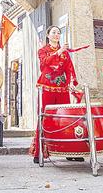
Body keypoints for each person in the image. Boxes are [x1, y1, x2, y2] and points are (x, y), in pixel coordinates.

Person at [30, 25, 79, 163]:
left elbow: (69, 68)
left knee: (65, 118)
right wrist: (58, 52)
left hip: (62, 88)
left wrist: (71, 82)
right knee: (44, 117)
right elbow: (44, 63)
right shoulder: (43, 50)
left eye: (58, 32)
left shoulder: (65, 53)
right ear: (48, 35)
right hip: (47, 87)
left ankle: (70, 150)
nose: (56, 34)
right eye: (53, 32)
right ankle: (39, 152)